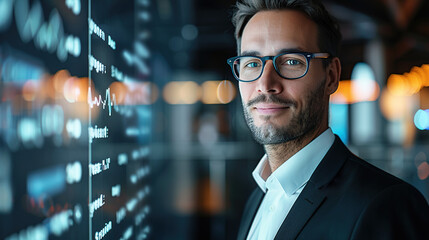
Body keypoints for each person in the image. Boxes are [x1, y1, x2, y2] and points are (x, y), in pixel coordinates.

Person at [226, 0, 429, 239]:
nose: (265, 85)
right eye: (251, 63)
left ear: (331, 76)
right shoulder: (258, 196)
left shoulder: (386, 205)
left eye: (292, 61)